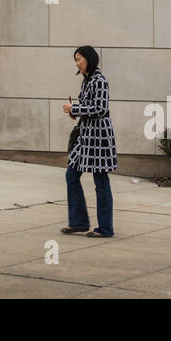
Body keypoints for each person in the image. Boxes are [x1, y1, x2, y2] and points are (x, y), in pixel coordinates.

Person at [60, 44, 116, 238]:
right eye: (75, 60)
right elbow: (89, 106)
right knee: (71, 175)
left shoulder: (99, 80)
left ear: (89, 59)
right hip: (85, 137)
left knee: (101, 181)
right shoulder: (87, 81)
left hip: (99, 137)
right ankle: (78, 222)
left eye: (78, 59)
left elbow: (100, 108)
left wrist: (75, 109)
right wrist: (76, 111)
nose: (76, 64)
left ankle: (105, 228)